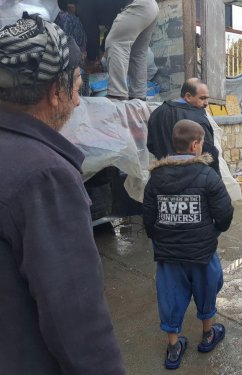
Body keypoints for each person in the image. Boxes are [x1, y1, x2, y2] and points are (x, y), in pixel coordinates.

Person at [0, 13, 125, 374]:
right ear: (56, 92)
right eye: (77, 84)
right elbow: (78, 324)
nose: (78, 99)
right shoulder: (46, 176)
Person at [142, 119, 234, 370]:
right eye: (202, 142)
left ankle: (174, 347)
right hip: (202, 253)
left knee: (170, 297)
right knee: (207, 289)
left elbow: (148, 219)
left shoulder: (155, 178)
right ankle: (207, 334)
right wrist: (210, 233)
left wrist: (162, 238)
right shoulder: (207, 175)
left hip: (169, 256)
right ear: (195, 145)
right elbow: (225, 214)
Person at [147, 78, 220, 175]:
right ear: (188, 96)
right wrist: (214, 179)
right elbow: (210, 154)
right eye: (202, 98)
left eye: (207, 98)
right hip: (193, 177)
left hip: (163, 176)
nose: (206, 103)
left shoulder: (157, 112)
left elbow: (150, 145)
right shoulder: (198, 119)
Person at [104, 0, 159, 100]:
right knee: (138, 53)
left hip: (139, 5)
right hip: (151, 6)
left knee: (116, 42)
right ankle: (139, 96)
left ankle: (117, 93)